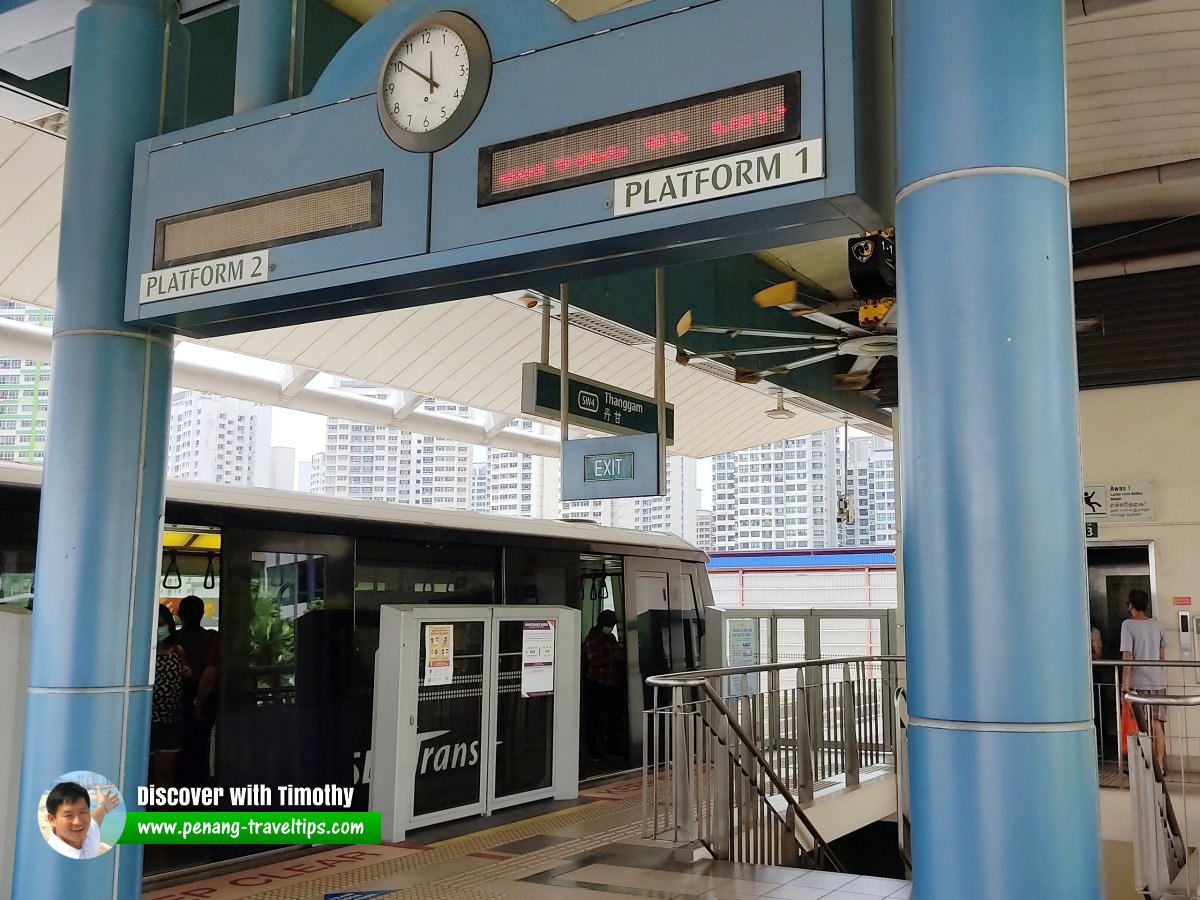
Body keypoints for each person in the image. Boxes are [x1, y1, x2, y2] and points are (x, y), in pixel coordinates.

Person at [170, 595, 217, 786]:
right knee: (201, 746)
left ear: (180, 615)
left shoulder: (172, 641)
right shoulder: (212, 637)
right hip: (207, 700)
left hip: (178, 700)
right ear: (202, 613)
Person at [1121, 588, 1167, 774]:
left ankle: (1144, 764)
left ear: (1131, 605)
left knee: (1141, 725)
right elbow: (1162, 655)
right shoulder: (1158, 625)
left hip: (1138, 682)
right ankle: (1160, 765)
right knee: (1157, 723)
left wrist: (1125, 683)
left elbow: (1128, 655)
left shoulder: (1128, 625)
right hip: (1158, 681)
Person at [151, 604, 190, 792]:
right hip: (146, 724)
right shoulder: (140, 655)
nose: (158, 629)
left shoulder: (177, 651)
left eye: (161, 624)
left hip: (171, 723)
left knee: (165, 777)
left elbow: (185, 676)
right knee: (146, 777)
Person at [582, 609, 625, 761]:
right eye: (610, 624)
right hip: (596, 683)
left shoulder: (611, 638)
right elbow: (593, 661)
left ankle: (613, 747)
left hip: (612, 683)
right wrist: (612, 656)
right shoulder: (592, 639)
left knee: (615, 716)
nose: (611, 627)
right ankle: (593, 750)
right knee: (594, 717)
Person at [44, 781, 118, 860]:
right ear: (52, 820)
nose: (78, 822)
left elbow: (95, 820)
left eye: (82, 812)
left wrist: (103, 806)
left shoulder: (87, 834)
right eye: (68, 815)